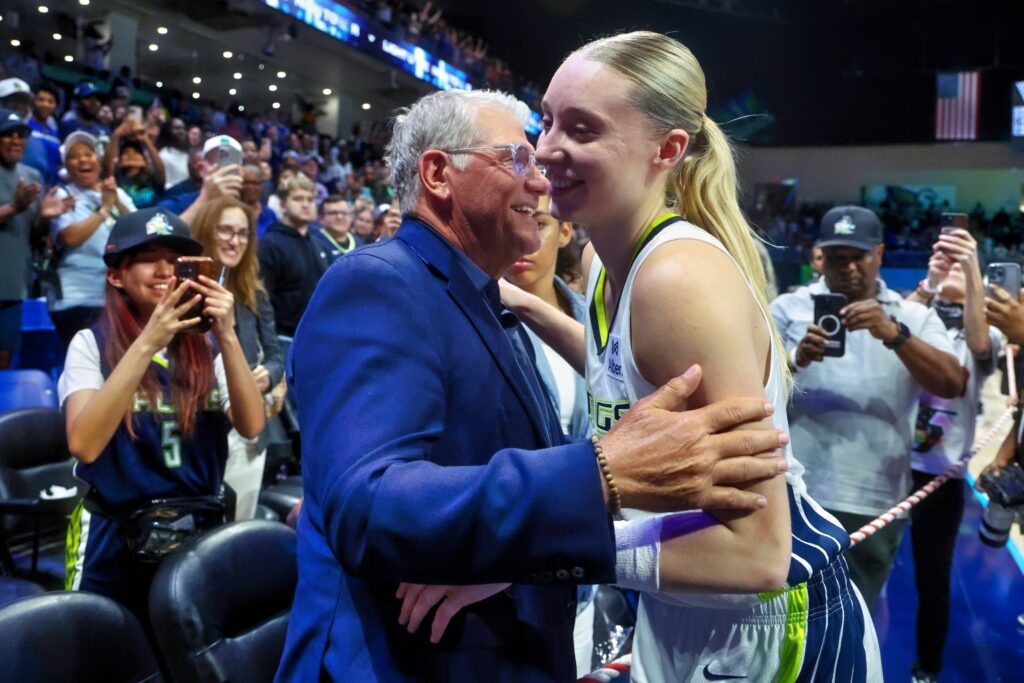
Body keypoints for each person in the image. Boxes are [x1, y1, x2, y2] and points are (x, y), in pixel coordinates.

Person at [406, 32, 879, 681]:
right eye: (546, 120)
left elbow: (757, 554)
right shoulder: (604, 262)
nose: (546, 149)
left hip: (772, 628)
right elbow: (628, 377)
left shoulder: (675, 280)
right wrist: (524, 304)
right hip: (684, 608)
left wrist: (528, 557)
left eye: (581, 128)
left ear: (668, 150)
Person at [274, 88, 788, 682]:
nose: (541, 184)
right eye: (517, 160)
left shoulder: (483, 299)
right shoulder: (375, 283)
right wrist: (598, 471)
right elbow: (365, 506)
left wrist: (525, 558)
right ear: (439, 173)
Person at [61, 207, 264, 625]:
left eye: (175, 260)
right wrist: (149, 339)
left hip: (197, 534)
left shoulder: (209, 345)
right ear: (116, 275)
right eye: (147, 257)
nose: (164, 270)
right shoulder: (90, 343)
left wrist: (226, 333)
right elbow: (84, 444)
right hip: (114, 537)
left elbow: (252, 424)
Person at [771, 205, 963, 610]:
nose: (848, 268)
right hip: (795, 490)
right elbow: (750, 382)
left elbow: (951, 383)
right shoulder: (788, 309)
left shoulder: (913, 316)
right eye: (837, 257)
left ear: (879, 254)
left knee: (858, 614)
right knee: (783, 616)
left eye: (858, 256)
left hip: (874, 497)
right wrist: (795, 358)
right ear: (820, 255)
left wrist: (893, 334)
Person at [903, 228, 1000, 683]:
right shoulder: (916, 310)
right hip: (892, 466)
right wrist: (929, 281)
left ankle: (927, 667)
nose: (951, 266)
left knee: (932, 581)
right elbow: (894, 328)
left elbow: (981, 346)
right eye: (943, 258)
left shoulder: (983, 334)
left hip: (940, 478)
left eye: (958, 262)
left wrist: (973, 270)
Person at [191, 197, 283, 520]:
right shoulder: (185, 292)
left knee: (235, 532)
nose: (235, 241)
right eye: (226, 231)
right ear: (206, 232)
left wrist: (268, 375)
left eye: (243, 233)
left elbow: (275, 354)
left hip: (247, 433)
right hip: (198, 429)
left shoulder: (253, 291)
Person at [49, 131, 137, 347]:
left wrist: (115, 201)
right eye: (74, 156)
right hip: (74, 298)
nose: (83, 159)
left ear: (97, 160)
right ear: (66, 166)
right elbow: (70, 237)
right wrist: (104, 208)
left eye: (88, 154)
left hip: (113, 297)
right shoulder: (61, 196)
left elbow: (140, 229)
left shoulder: (114, 192)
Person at [0, 109, 68, 368]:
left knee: (4, 358)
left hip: (12, 283)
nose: (15, 140)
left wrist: (46, 217)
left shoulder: (31, 176)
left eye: (21, 135)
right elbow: (16, 212)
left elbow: (34, 233)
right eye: (7, 134)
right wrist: (13, 208)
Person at [257, 173, 331, 337]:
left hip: (317, 336)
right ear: (283, 204)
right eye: (298, 199)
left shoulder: (320, 243)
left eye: (310, 200)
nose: (306, 204)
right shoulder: (270, 244)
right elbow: (261, 299)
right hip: (282, 337)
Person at [103, 120, 165, 209]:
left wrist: (146, 140)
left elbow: (160, 170)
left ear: (145, 160)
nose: (130, 155)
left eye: (136, 152)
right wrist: (116, 135)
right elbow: (108, 167)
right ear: (119, 161)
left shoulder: (152, 179)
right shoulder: (117, 179)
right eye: (125, 152)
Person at [312, 194, 358, 260]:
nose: (340, 217)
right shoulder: (314, 242)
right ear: (321, 218)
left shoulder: (359, 242)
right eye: (333, 213)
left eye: (344, 213)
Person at [240, 163, 276, 237]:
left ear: (261, 185)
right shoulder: (232, 212)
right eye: (246, 182)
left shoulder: (269, 214)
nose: (250, 187)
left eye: (255, 183)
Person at [157, 117, 190, 189]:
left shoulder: (186, 154)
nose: (181, 131)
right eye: (177, 128)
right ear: (168, 131)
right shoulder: (163, 155)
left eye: (183, 128)